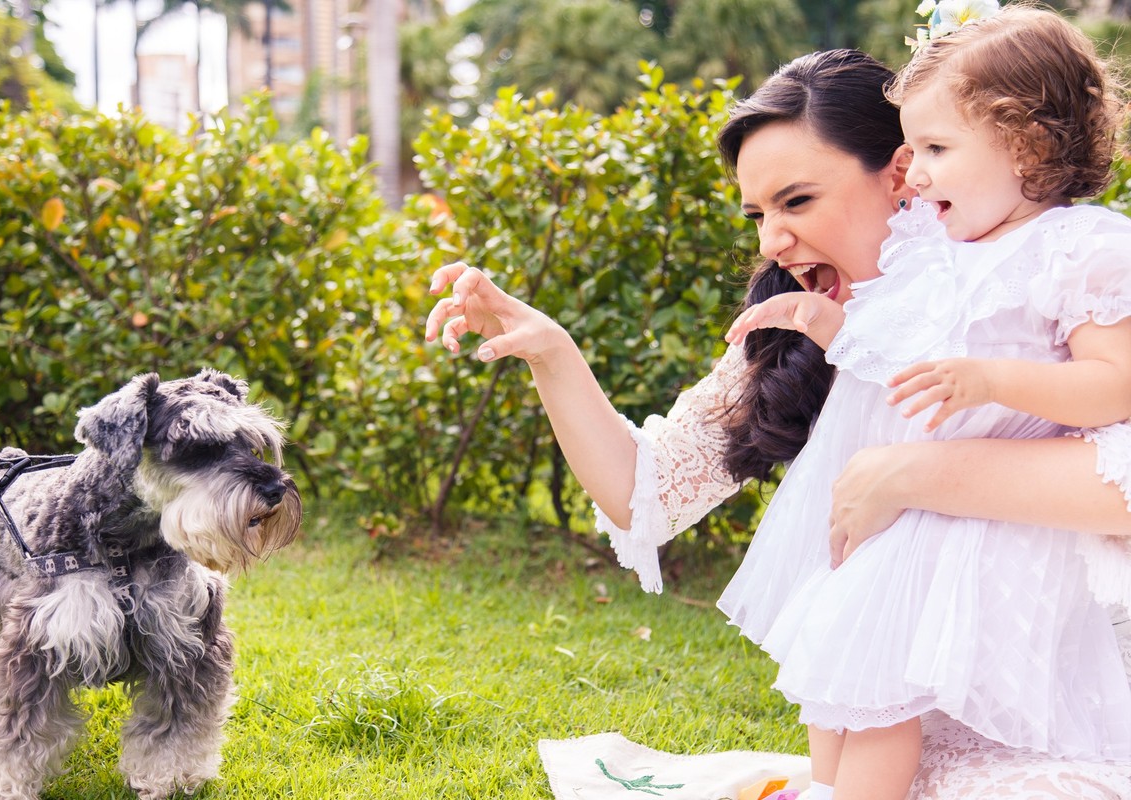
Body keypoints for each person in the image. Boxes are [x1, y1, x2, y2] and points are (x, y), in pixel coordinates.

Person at [424, 47, 1131, 800]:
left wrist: (906, 475)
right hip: (902, 722)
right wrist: (552, 353)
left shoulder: (1038, 285)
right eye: (758, 215)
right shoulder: (810, 328)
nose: (771, 242)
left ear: (900, 175)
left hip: (1060, 702)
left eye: (797, 202)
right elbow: (647, 490)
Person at [720, 5, 1131, 799]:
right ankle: (830, 786)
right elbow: (900, 350)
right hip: (907, 519)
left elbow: (1114, 386)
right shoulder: (942, 245)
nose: (917, 173)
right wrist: (823, 323)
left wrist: (993, 381)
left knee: (877, 693)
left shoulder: (1079, 249)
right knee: (836, 671)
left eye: (939, 149)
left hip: (984, 523)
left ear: (1027, 146)